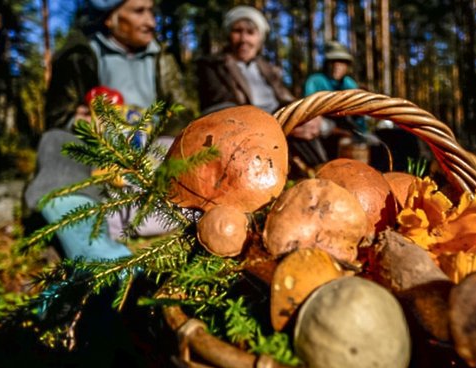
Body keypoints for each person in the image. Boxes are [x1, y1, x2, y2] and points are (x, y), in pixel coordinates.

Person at [24, 0, 194, 261]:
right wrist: (80, 121)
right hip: (98, 149)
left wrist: (148, 126)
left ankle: (194, 212)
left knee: (188, 149)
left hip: (153, 145)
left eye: (151, 11)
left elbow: (185, 112)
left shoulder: (162, 56)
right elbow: (58, 117)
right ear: (110, 18)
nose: (150, 21)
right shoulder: (80, 54)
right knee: (55, 141)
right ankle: (95, 250)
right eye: (139, 11)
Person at [195, 5, 322, 178]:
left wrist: (308, 117)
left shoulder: (270, 70)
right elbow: (221, 110)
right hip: (245, 140)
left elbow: (287, 100)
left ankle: (318, 176)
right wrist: (279, 124)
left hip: (287, 132)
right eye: (237, 31)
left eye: (250, 32)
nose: (243, 39)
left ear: (260, 39)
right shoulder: (213, 66)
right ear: (228, 35)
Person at [303, 41, 370, 162]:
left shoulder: (349, 83)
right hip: (323, 128)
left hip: (348, 128)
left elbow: (359, 117)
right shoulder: (315, 81)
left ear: (347, 66)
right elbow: (308, 112)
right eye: (333, 61)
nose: (337, 66)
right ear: (327, 63)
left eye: (341, 62)